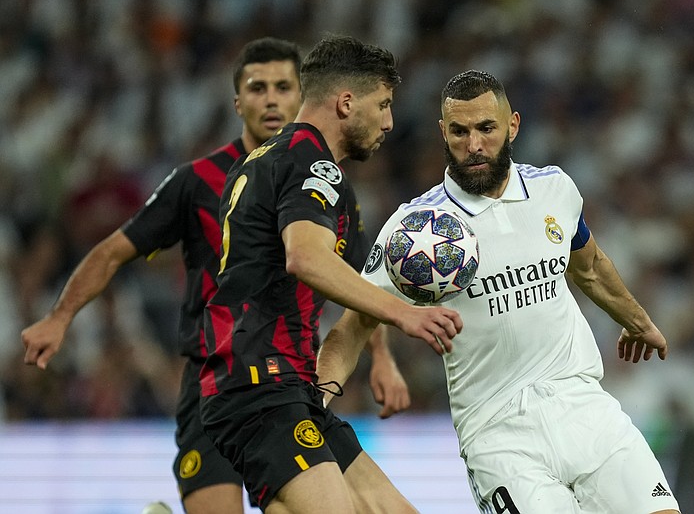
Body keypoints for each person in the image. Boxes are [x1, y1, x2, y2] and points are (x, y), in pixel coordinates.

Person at [20, 37, 411, 514]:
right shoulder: (213, 178)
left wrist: (380, 357)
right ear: (237, 101)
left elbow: (353, 282)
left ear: (299, 94)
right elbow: (111, 253)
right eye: (257, 87)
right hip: (240, 373)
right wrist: (59, 316)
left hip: (287, 378)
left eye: (283, 86)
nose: (271, 98)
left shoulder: (317, 181)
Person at [317, 70, 682, 514]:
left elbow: (588, 267)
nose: (473, 145)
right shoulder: (416, 232)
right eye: (459, 131)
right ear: (442, 132)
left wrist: (638, 322)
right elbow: (355, 324)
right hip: (498, 435)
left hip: (585, 407)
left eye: (486, 128)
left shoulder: (554, 189)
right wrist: (317, 399)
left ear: (512, 125)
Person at [199, 34, 462, 514]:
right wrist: (407, 316)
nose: (389, 122)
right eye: (382, 105)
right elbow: (306, 257)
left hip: (288, 385)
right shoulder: (310, 163)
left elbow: (348, 289)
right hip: (259, 384)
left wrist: (334, 380)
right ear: (345, 102)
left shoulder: (263, 162)